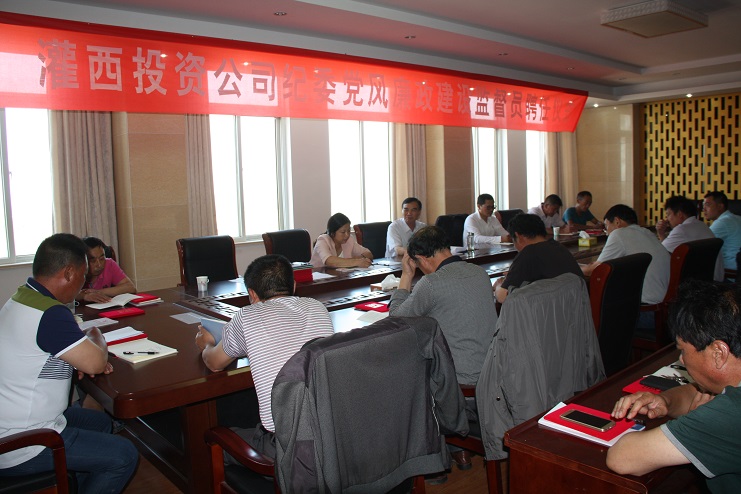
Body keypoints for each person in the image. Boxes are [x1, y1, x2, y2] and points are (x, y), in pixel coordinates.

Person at [0, 233, 138, 492]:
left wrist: (73, 362)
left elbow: (42, 353)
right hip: (24, 443)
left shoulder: (22, 298)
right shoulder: (50, 314)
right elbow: (96, 363)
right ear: (69, 273)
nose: (85, 283)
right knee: (124, 455)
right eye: (84, 276)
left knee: (100, 423)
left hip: (13, 422)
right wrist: (95, 335)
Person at [608, 281, 741, 493]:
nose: (681, 360)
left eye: (683, 351)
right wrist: (666, 401)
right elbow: (697, 392)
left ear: (718, 352)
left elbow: (622, 458)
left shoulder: (729, 415)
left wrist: (697, 418)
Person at [195, 254, 334, 458]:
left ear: (252, 294)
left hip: (285, 449)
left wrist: (206, 343)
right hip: (329, 435)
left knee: (210, 444)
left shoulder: (246, 316)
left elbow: (214, 363)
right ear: (294, 286)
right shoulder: (317, 307)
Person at [388, 225, 498, 473]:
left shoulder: (431, 283)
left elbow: (396, 319)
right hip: (492, 374)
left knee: (405, 370)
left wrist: (406, 276)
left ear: (422, 259)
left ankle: (432, 459)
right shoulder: (479, 272)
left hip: (461, 384)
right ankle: (458, 448)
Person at [582, 204, 670, 305]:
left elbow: (593, 270)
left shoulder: (619, 233)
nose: (607, 233)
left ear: (617, 221)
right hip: (664, 301)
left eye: (606, 226)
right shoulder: (647, 232)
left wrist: (576, 266)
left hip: (646, 305)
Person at [493, 213, 583, 303]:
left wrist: (498, 285)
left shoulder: (528, 253)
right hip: (575, 306)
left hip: (548, 308)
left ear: (518, 236)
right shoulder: (558, 247)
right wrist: (515, 274)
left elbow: (503, 297)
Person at [657, 195, 724, 281]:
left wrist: (660, 234)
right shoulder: (702, 225)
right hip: (713, 281)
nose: (667, 219)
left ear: (680, 214)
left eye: (668, 214)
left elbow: (660, 254)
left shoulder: (682, 229)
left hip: (695, 285)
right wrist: (662, 234)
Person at [76, 236, 136, 303]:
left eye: (102, 259)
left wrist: (98, 292)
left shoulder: (109, 264)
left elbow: (130, 287)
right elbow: (67, 294)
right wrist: (84, 296)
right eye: (93, 261)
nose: (99, 265)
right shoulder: (75, 269)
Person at [703, 191, 741, 271]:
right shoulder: (736, 218)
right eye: (703, 205)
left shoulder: (723, 222)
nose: (704, 209)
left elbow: (702, 244)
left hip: (730, 272)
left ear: (720, 206)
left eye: (707, 205)